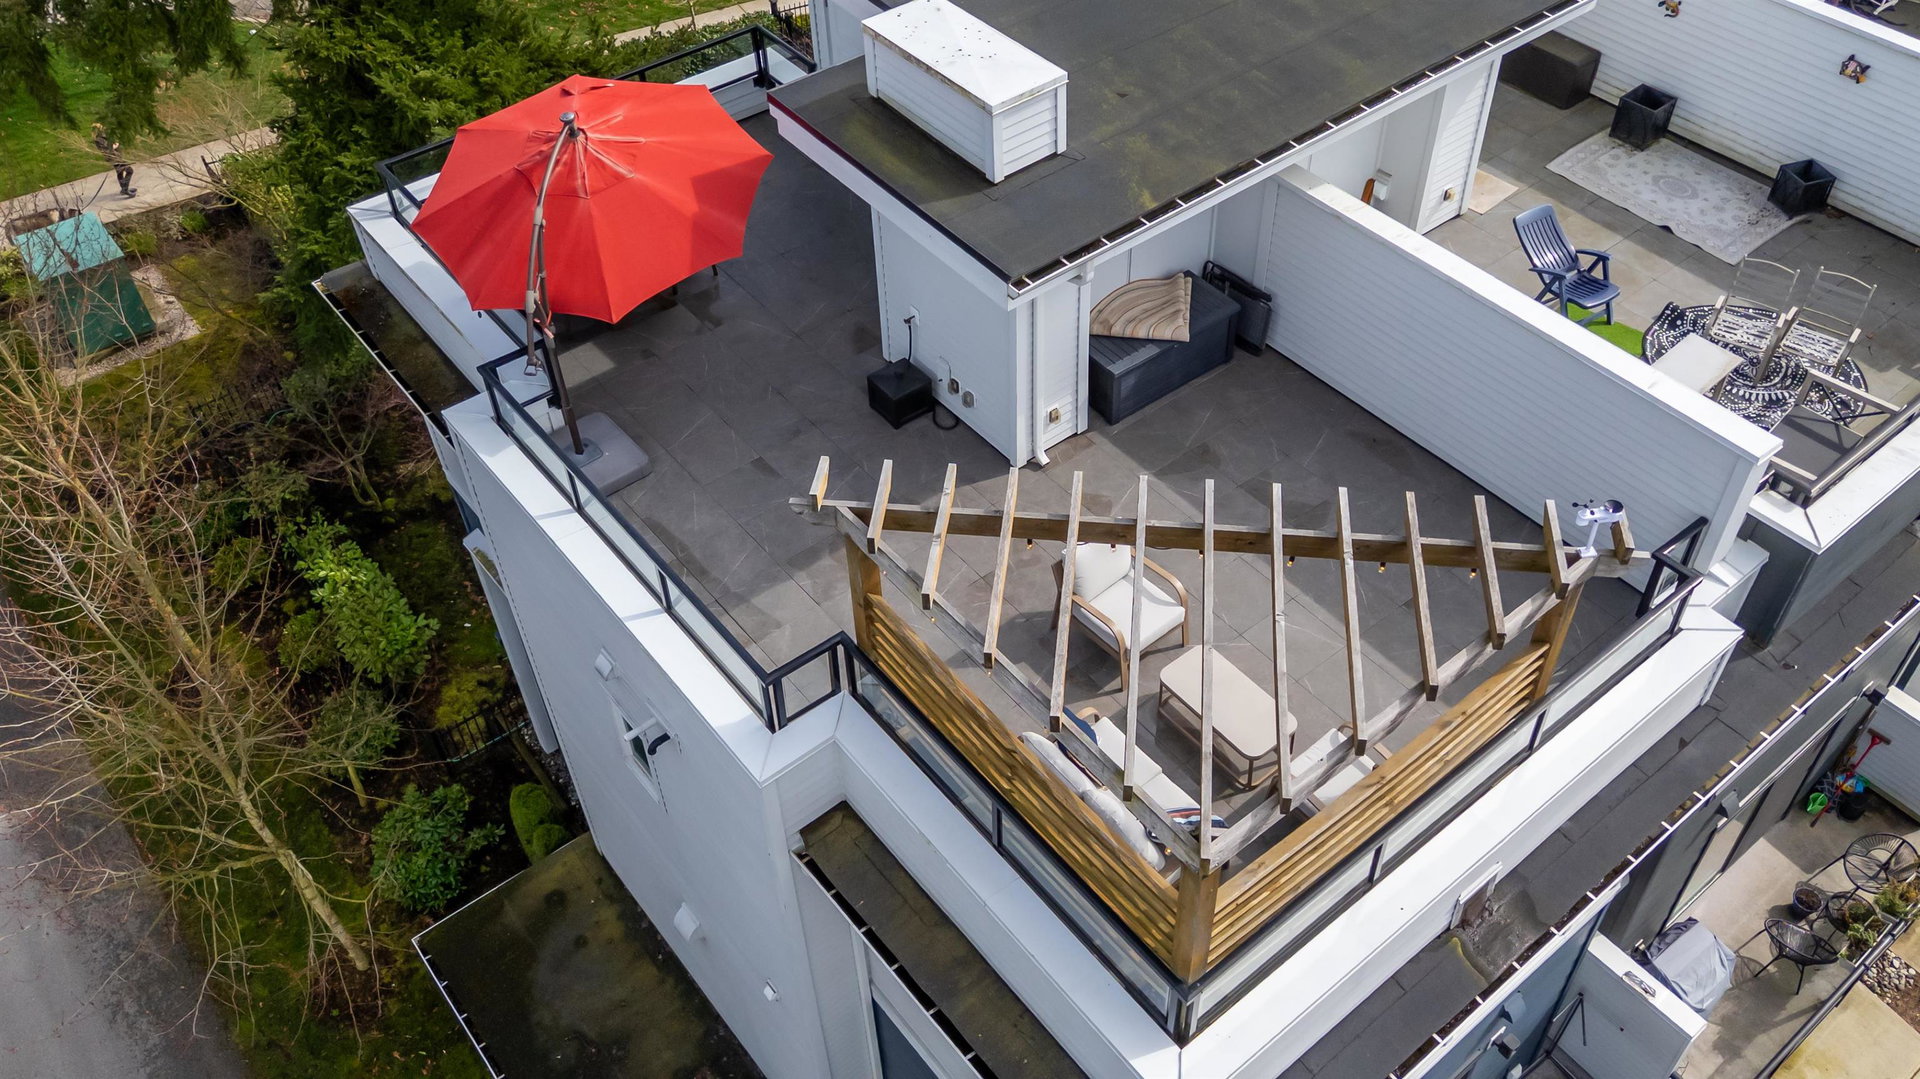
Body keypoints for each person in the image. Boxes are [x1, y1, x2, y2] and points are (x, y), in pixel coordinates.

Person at [91, 123, 136, 198]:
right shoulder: (99, 139)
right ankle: (125, 189)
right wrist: (115, 145)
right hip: (114, 158)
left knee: (120, 172)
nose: (104, 128)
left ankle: (124, 189)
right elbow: (107, 149)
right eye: (101, 127)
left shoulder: (103, 135)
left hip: (116, 156)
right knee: (130, 171)